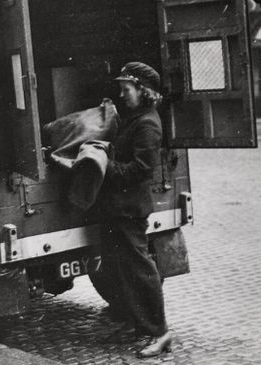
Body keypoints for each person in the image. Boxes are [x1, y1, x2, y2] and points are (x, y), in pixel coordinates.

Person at [100, 62, 173, 358]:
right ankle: (135, 322)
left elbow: (142, 170)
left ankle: (160, 332)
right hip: (117, 208)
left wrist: (106, 166)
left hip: (130, 209)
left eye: (126, 89)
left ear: (143, 92)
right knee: (120, 269)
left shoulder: (147, 124)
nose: (121, 94)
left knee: (140, 270)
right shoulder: (133, 117)